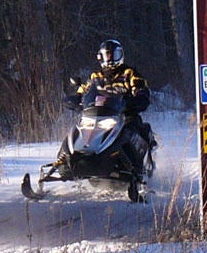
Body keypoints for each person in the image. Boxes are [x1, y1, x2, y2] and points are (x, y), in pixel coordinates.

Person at [56, 39, 155, 176]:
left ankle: (137, 170)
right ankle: (64, 162)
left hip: (124, 114)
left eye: (112, 55)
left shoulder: (129, 73)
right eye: (106, 55)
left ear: (119, 55)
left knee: (130, 130)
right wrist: (75, 99)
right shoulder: (96, 76)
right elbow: (85, 91)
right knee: (76, 130)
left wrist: (139, 97)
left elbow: (141, 88)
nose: (109, 59)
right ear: (100, 56)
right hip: (97, 114)